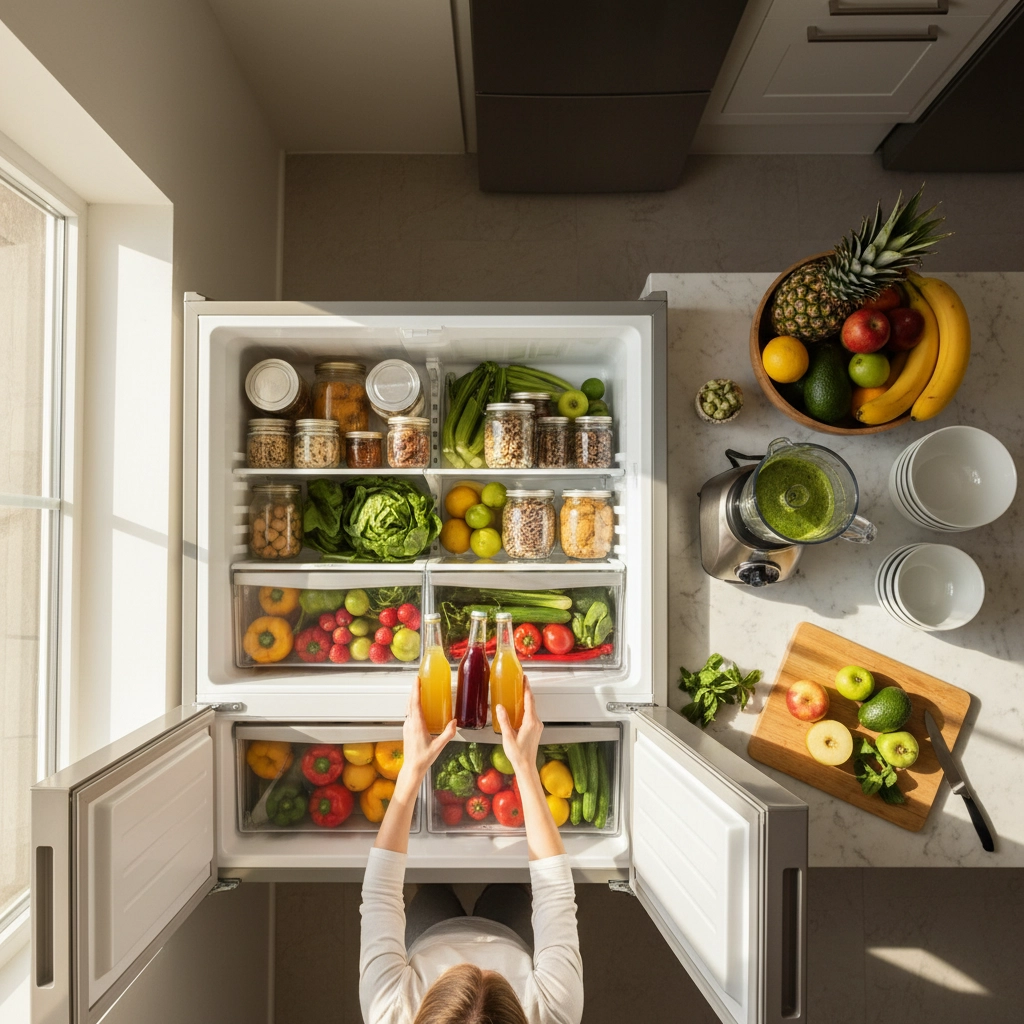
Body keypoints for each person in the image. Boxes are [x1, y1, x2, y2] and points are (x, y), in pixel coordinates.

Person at [359, 679, 583, 1024]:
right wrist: (524, 766)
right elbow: (554, 894)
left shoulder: (387, 1010)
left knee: (432, 892)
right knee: (508, 890)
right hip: (510, 936)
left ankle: (436, 890)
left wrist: (412, 769)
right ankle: (497, 891)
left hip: (431, 935)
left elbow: (381, 895)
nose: (481, 959)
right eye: (493, 973)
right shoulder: (554, 1011)